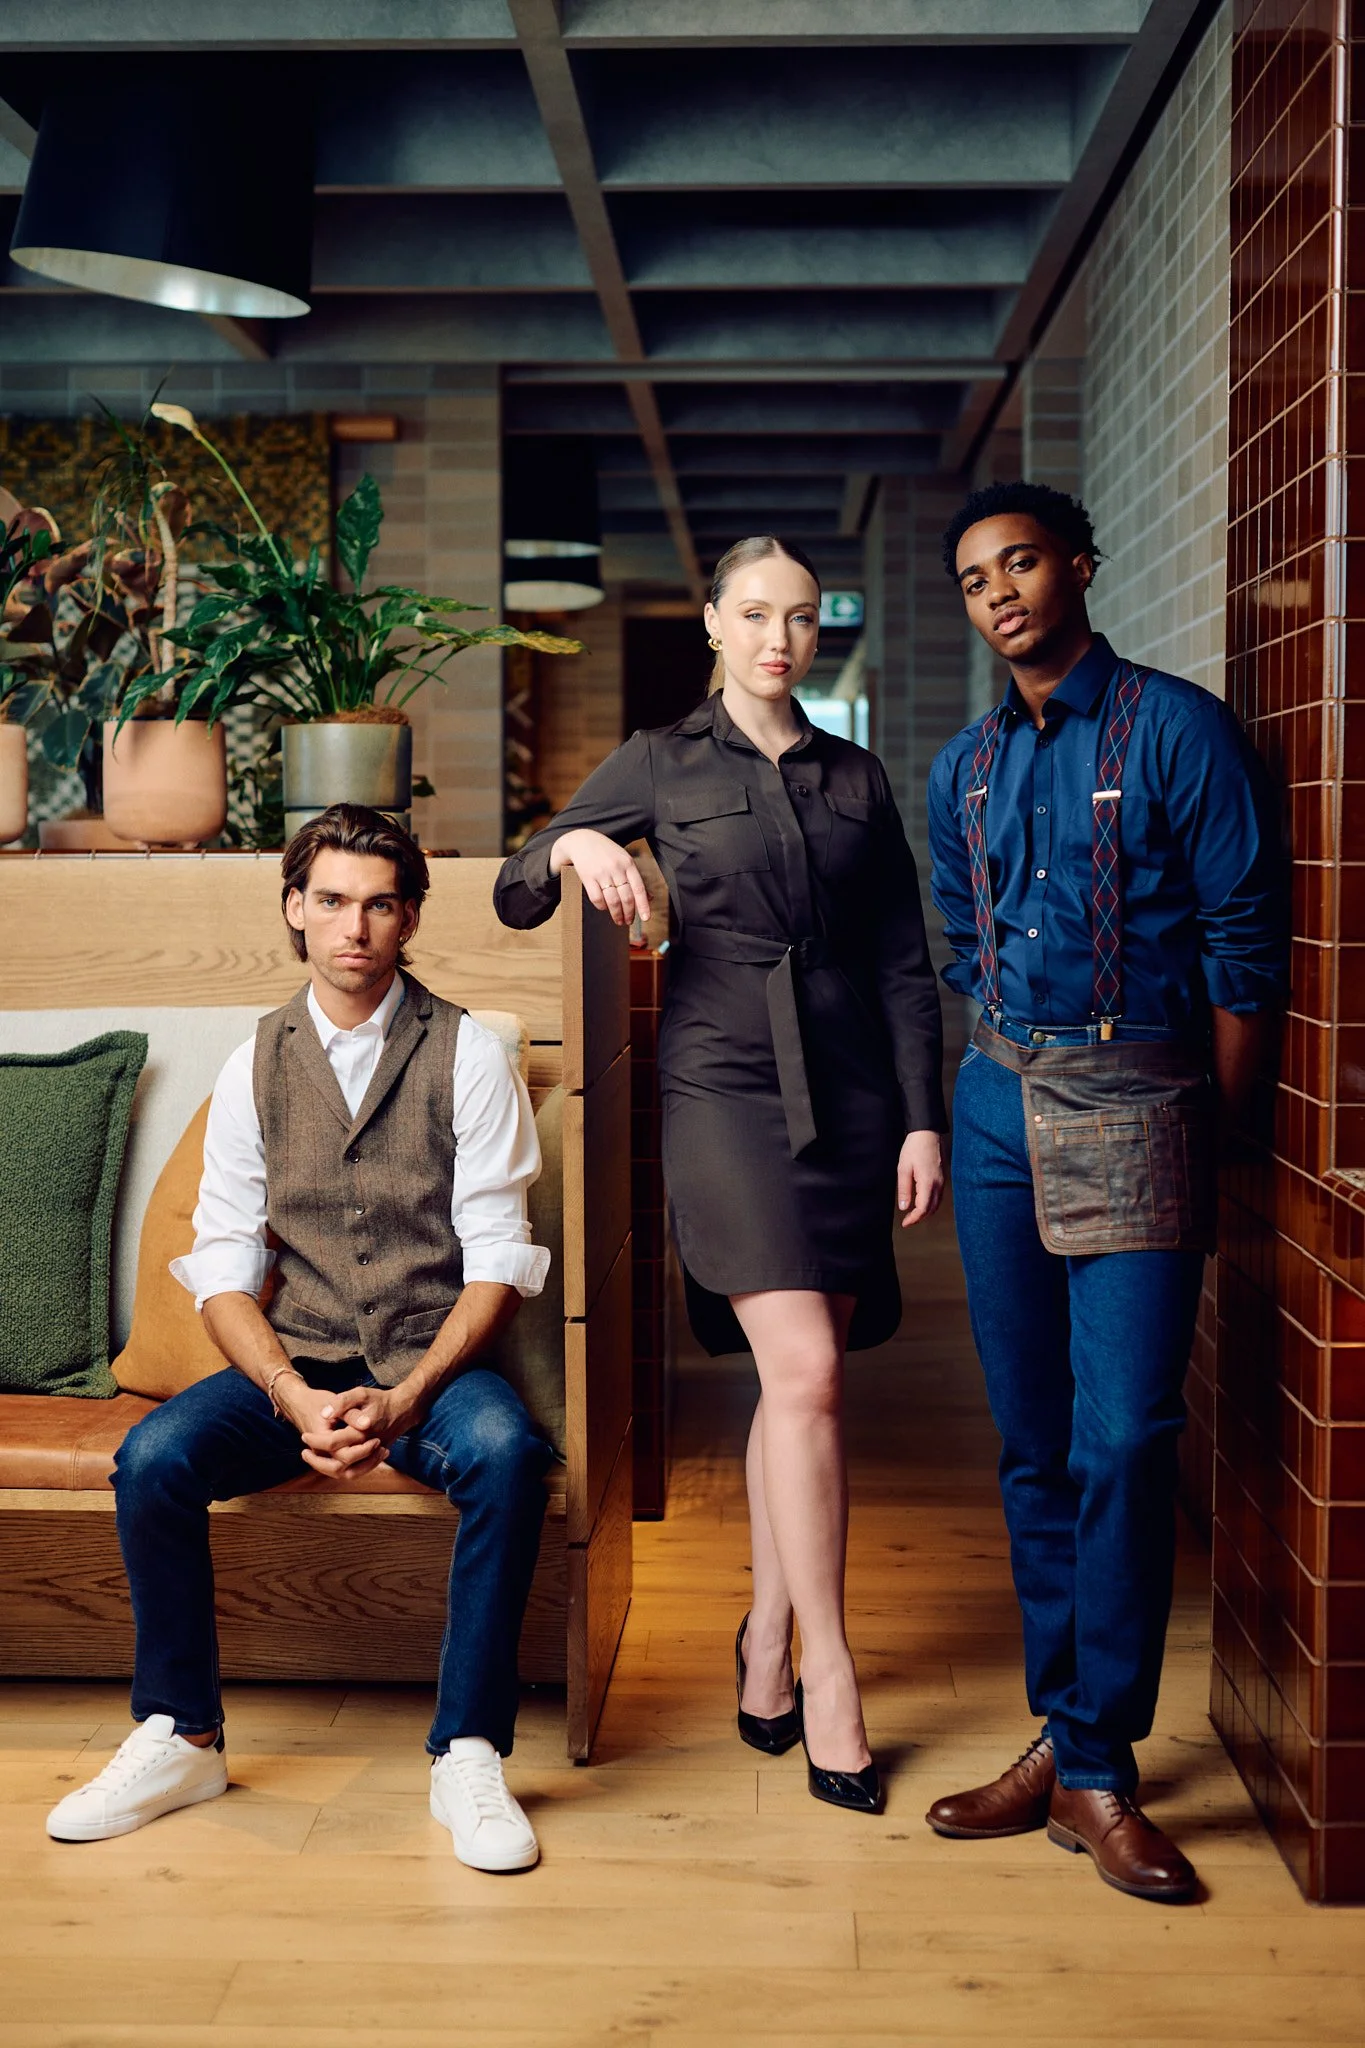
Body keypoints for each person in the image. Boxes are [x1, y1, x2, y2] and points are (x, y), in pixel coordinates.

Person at [495, 535, 946, 1812]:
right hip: (720, 1088)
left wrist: (920, 1119)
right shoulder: (659, 758)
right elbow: (519, 894)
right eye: (755, 614)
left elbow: (907, 964)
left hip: (852, 1094)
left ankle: (762, 1637)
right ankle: (834, 1673)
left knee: (792, 1390)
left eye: (800, 619)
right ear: (712, 621)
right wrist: (577, 845)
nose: (778, 640)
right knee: (802, 1373)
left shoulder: (856, 775)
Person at [46, 805, 554, 1874]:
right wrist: (289, 1393)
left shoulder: (466, 1053)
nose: (353, 926)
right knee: (154, 1456)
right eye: (330, 900)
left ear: (409, 915)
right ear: (294, 909)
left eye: (378, 902)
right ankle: (182, 1734)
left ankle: (466, 1747)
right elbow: (223, 1272)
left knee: (508, 1454)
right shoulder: (255, 1063)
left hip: (431, 1359)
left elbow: (499, 1258)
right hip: (300, 1362)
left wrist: (408, 1395)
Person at [925, 481, 1286, 1901]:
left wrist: (1224, 1129)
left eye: (1017, 562)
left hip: (1141, 1099)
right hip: (998, 1104)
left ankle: (1098, 1761)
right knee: (1028, 1445)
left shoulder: (1177, 729)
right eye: (971, 579)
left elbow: (1246, 946)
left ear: (1077, 564)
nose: (997, 591)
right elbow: (964, 940)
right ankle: (1068, 1750)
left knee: (1125, 1439)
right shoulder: (962, 762)